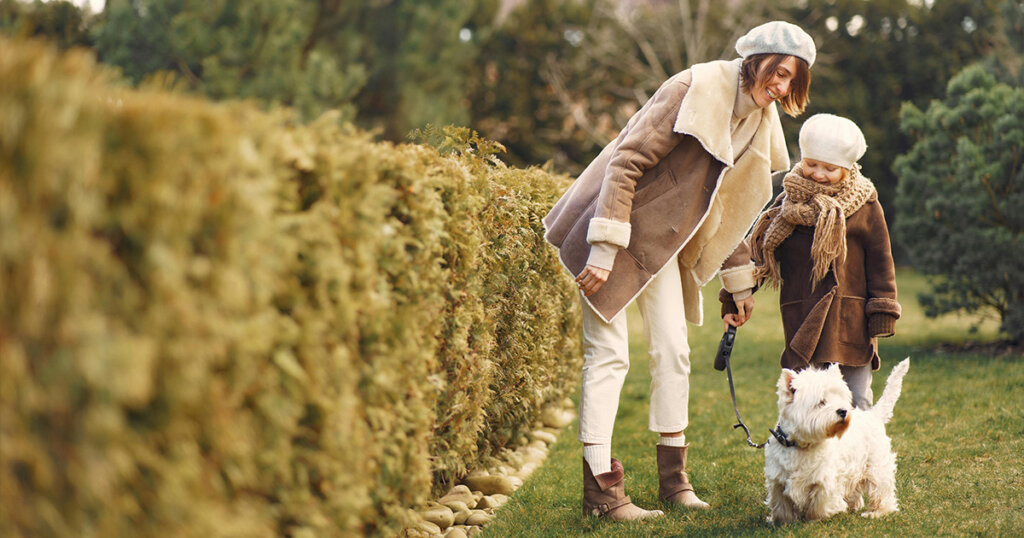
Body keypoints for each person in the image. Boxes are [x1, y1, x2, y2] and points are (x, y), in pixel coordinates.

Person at [543, 21, 815, 521]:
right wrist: (603, 249)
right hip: (613, 227)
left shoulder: (760, 118)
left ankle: (674, 482)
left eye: (790, 82)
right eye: (777, 74)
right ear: (756, 62)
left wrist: (737, 289)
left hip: (662, 245)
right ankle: (601, 492)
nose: (780, 88)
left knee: (674, 351)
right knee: (608, 357)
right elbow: (625, 162)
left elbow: (729, 209)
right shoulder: (693, 87)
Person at [721, 113, 901, 410]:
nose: (818, 174)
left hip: (850, 318)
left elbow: (881, 260)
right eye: (811, 164)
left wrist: (882, 309)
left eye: (829, 168)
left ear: (847, 168)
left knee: (857, 399)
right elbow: (758, 254)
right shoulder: (788, 205)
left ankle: (863, 454)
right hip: (803, 316)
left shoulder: (866, 204)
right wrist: (733, 299)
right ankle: (809, 455)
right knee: (806, 403)